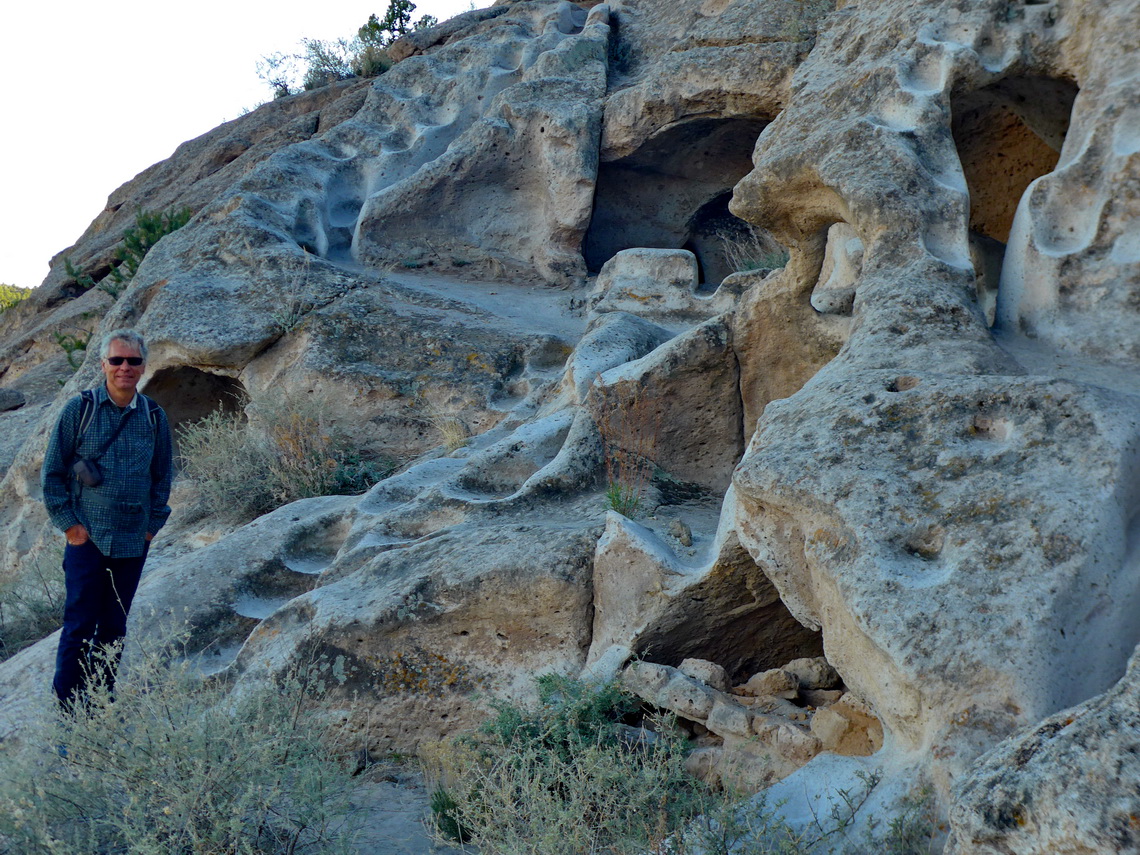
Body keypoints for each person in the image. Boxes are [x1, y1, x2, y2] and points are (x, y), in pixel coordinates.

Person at [41, 328, 173, 710]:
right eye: (116, 360)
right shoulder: (79, 411)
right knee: (80, 625)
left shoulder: (153, 415)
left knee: (114, 627)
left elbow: (163, 476)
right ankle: (68, 712)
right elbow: (51, 475)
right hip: (89, 538)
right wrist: (70, 526)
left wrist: (152, 527)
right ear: (103, 364)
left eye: (133, 361)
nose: (124, 368)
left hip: (133, 541)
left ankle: (100, 708)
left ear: (144, 366)